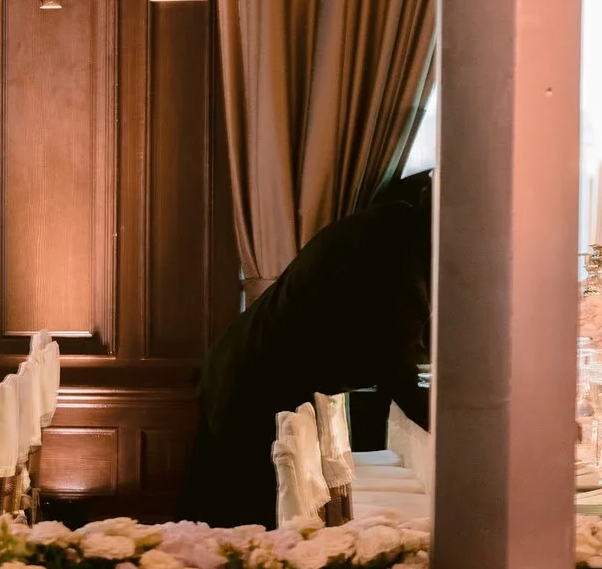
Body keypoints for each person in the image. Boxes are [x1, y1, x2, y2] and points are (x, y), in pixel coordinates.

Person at [179, 166, 431, 525]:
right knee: (235, 527)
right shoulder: (396, 254)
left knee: (222, 522)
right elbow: (404, 374)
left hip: (246, 370)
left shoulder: (394, 227)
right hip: (254, 387)